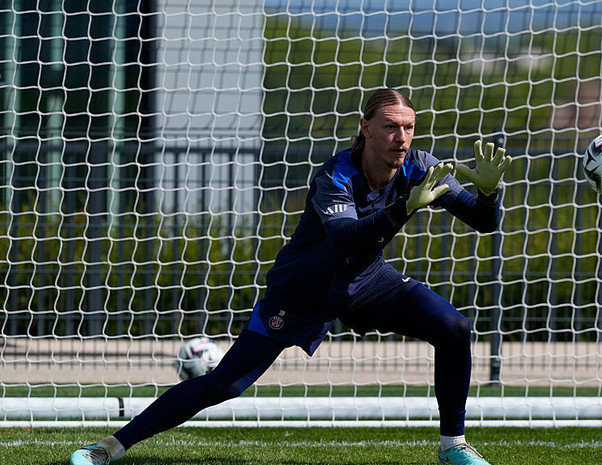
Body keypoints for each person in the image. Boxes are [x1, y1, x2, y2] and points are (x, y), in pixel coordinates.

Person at [69, 88, 512, 465]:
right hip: (301, 292)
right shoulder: (335, 175)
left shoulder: (419, 165)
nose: (402, 138)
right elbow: (345, 239)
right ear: (365, 127)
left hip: (366, 282)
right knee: (226, 383)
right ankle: (108, 448)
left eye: (409, 127)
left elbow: (483, 221)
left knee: (453, 327)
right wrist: (405, 207)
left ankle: (453, 445)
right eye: (391, 127)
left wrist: (489, 192)